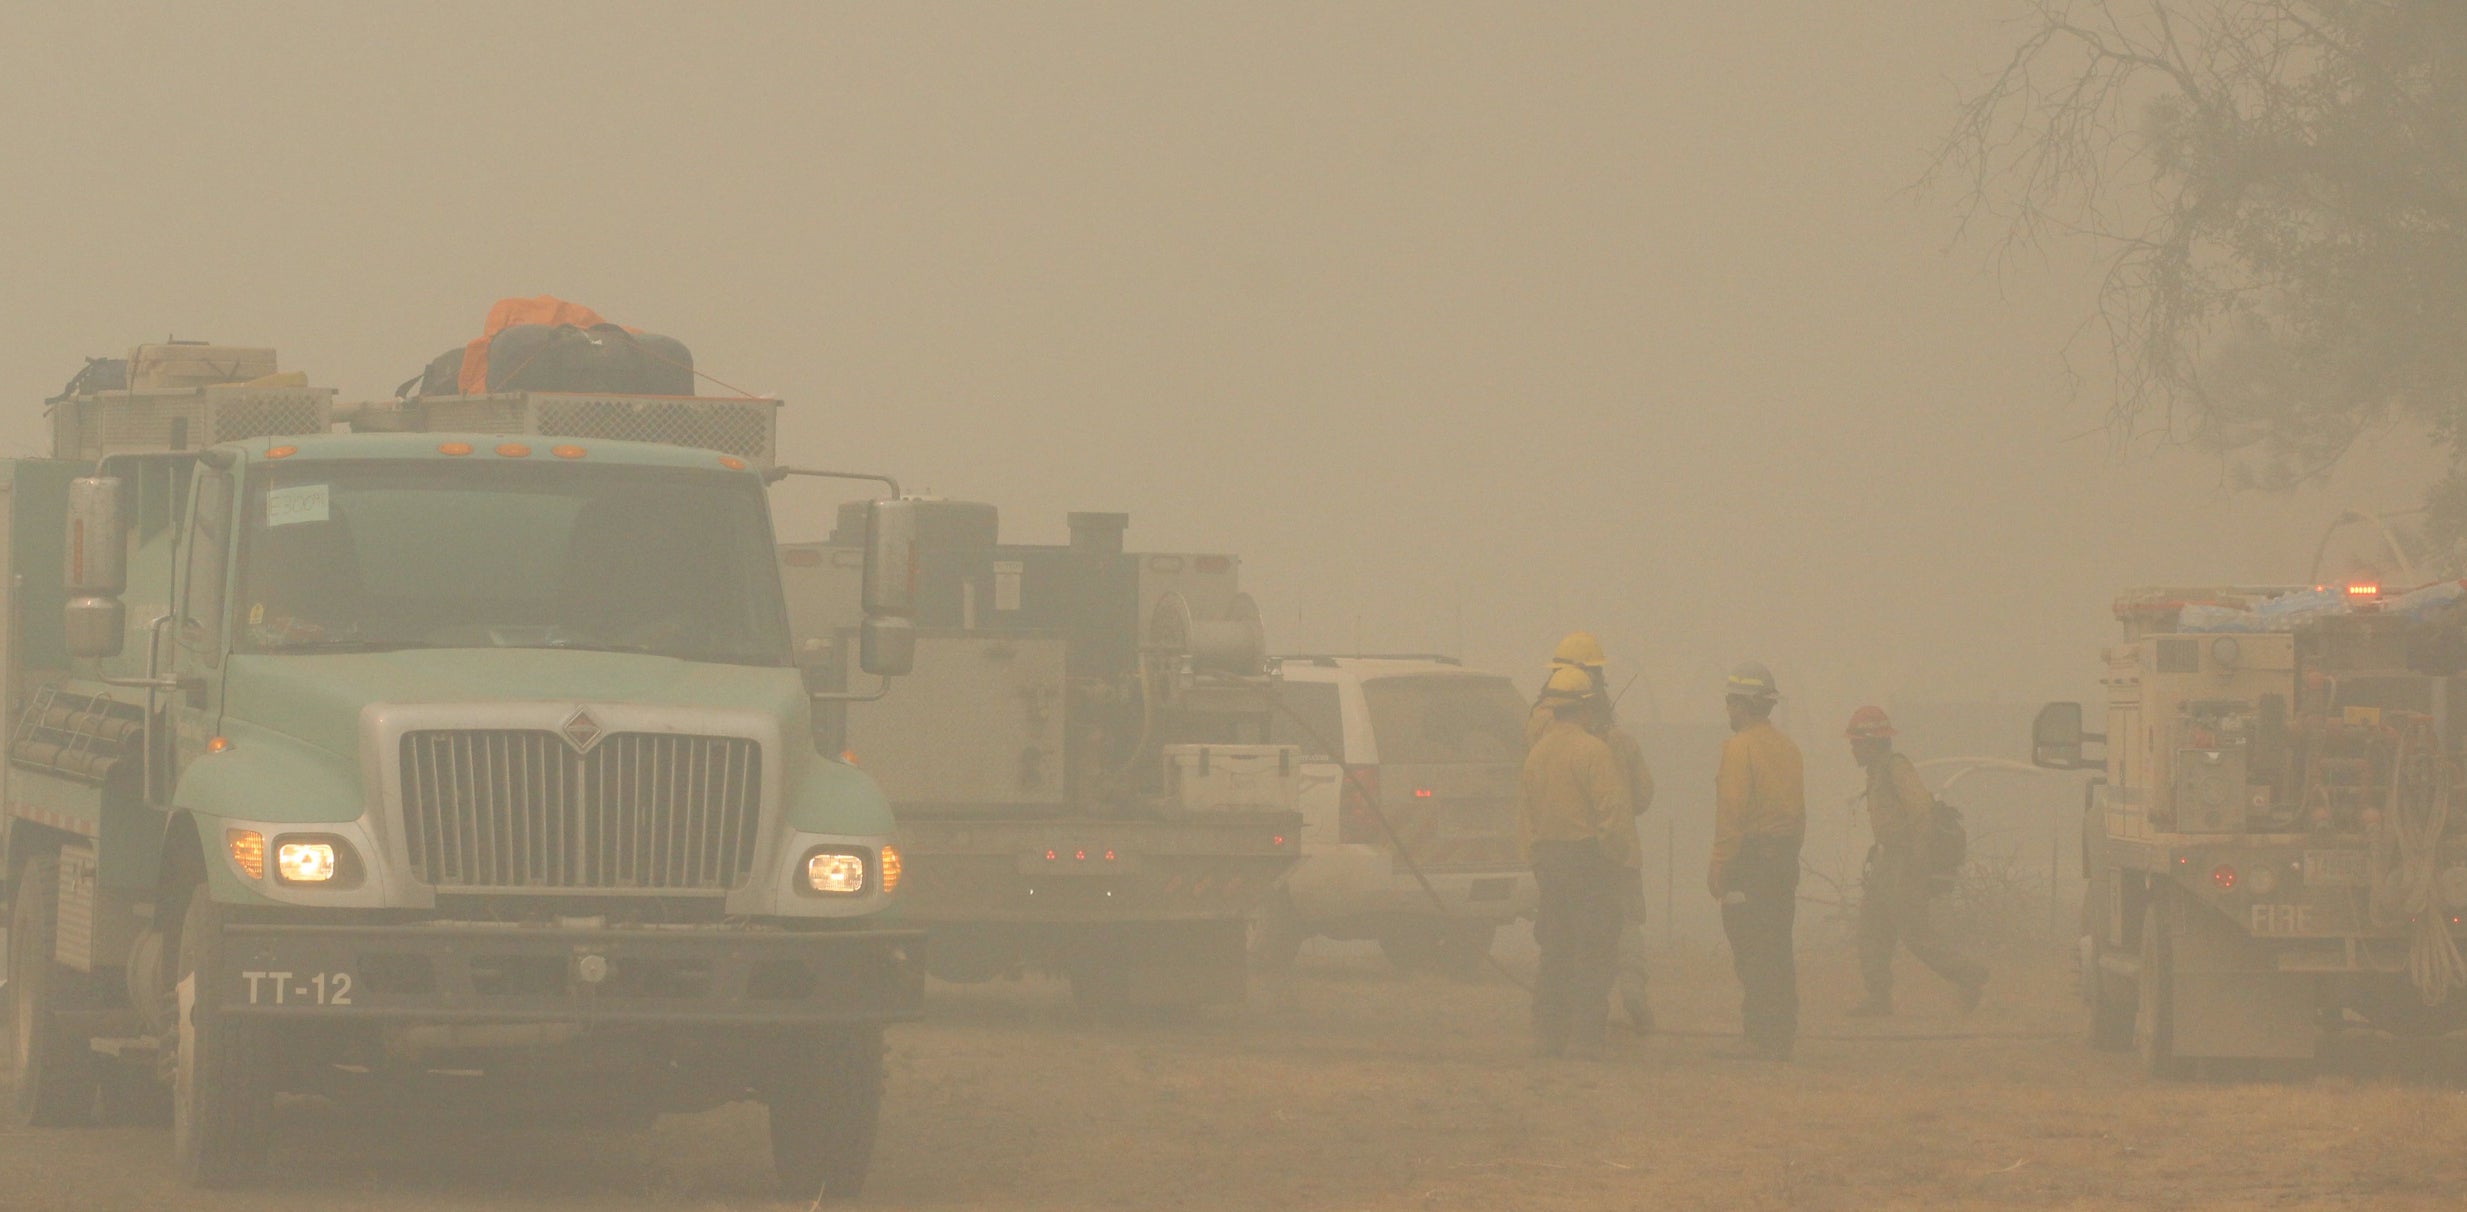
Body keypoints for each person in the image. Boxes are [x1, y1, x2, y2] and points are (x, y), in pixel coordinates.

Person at [1525, 632, 1660, 1033]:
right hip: (1607, 853)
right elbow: (1639, 798)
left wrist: (1535, 854)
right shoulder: (1611, 741)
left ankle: (1555, 1029)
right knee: (1616, 931)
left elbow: (1532, 800)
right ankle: (1618, 1002)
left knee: (1561, 943)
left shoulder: (1541, 736)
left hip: (1558, 852)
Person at [1520, 665, 1637, 1059]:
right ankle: (1586, 1038)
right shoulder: (1594, 752)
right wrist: (1611, 858)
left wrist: (1538, 860)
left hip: (1549, 861)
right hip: (1589, 861)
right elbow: (1614, 814)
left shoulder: (1536, 754)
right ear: (1586, 708)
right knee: (1594, 950)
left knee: (1555, 949)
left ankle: (1548, 1035)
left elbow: (1527, 817)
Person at [1844, 706, 1987, 1016]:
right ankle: (1878, 997)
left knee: (1916, 935)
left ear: (1872, 742)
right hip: (1887, 860)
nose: (1853, 749)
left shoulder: (1896, 767)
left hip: (1904, 862)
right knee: (1872, 929)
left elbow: (1921, 809)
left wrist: (1916, 859)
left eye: (1856, 742)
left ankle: (1969, 975)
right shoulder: (1878, 770)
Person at [1709, 662, 1804, 1061]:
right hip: (1783, 860)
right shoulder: (1788, 748)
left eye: (1730, 702)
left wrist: (1720, 866)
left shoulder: (1738, 748)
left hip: (1750, 863)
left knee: (1751, 950)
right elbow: (1799, 814)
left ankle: (1759, 1035)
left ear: (1742, 704)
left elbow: (1732, 813)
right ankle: (1780, 1035)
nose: (1727, 710)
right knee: (1778, 947)